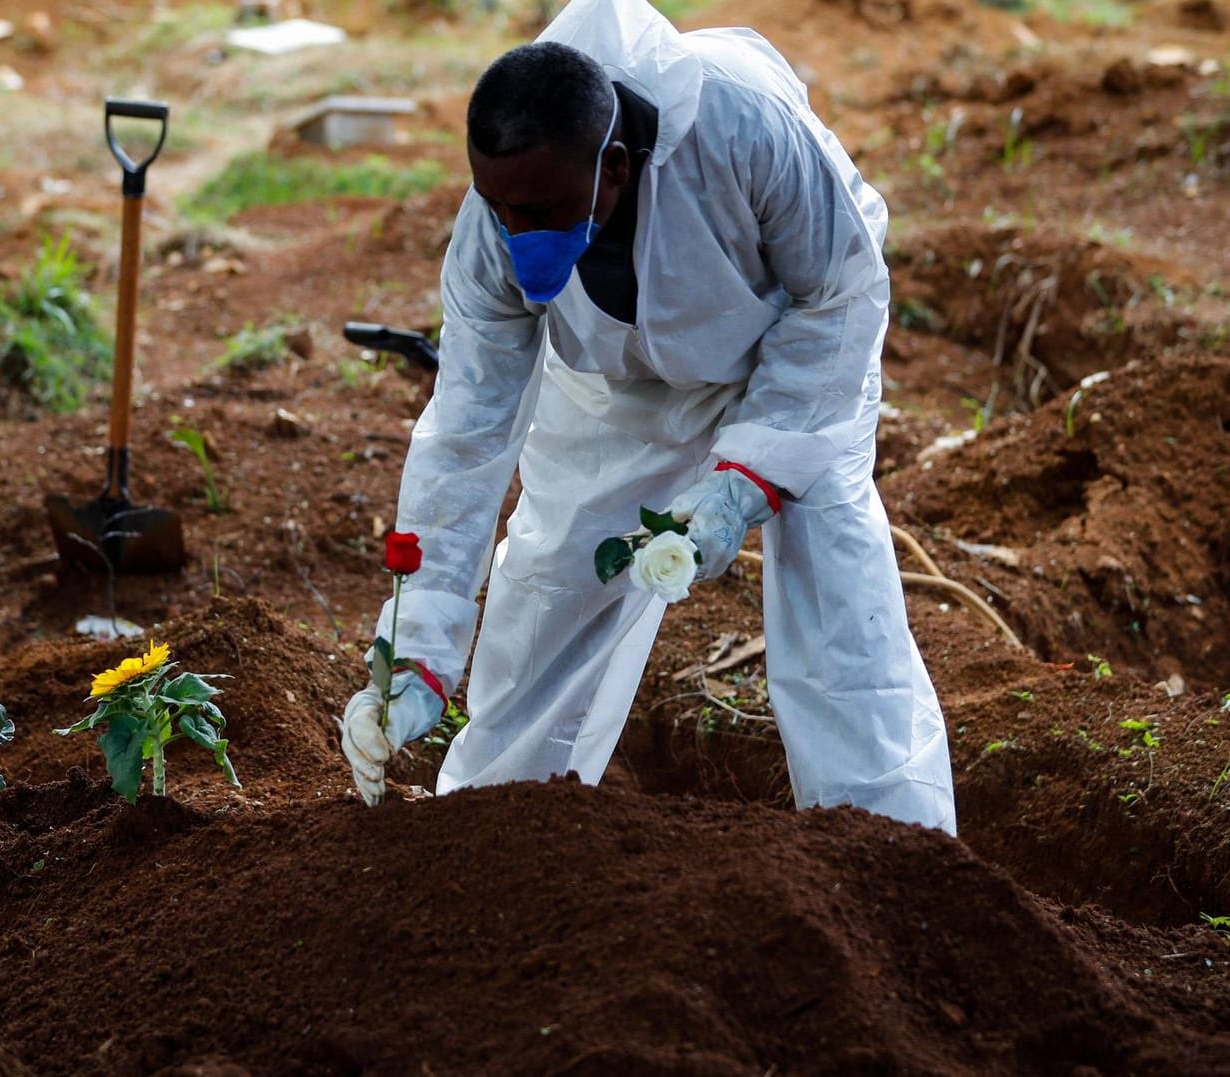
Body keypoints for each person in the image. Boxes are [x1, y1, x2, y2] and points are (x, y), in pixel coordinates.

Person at [339, 0, 957, 835]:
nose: (519, 236)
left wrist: (745, 480)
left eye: (546, 214)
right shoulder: (497, 222)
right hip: (621, 391)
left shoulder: (744, 128)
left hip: (791, 357)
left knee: (838, 604)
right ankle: (490, 839)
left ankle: (896, 849)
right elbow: (467, 424)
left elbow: (838, 292)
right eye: (501, 209)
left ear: (619, 167)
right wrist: (418, 642)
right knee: (551, 587)